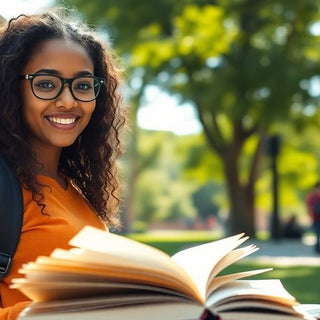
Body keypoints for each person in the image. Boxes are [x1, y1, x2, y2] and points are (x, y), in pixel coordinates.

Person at [0, 8, 125, 319]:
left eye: (82, 86)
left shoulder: (78, 189)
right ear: (10, 89)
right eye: (46, 84)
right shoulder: (4, 188)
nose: (68, 101)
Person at [306, 182, 320, 253]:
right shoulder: (312, 196)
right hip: (316, 218)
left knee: (318, 234)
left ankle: (317, 248)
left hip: (315, 218)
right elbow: (309, 208)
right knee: (317, 234)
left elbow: (309, 208)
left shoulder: (311, 196)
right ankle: (317, 248)